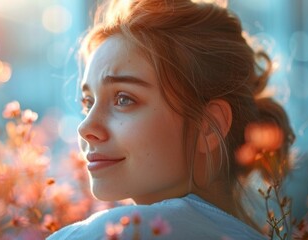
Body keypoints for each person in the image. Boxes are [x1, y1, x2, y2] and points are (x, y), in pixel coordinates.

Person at [48, 0, 295, 239]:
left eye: (123, 99)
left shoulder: (115, 232)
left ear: (209, 126)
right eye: (88, 103)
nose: (85, 128)